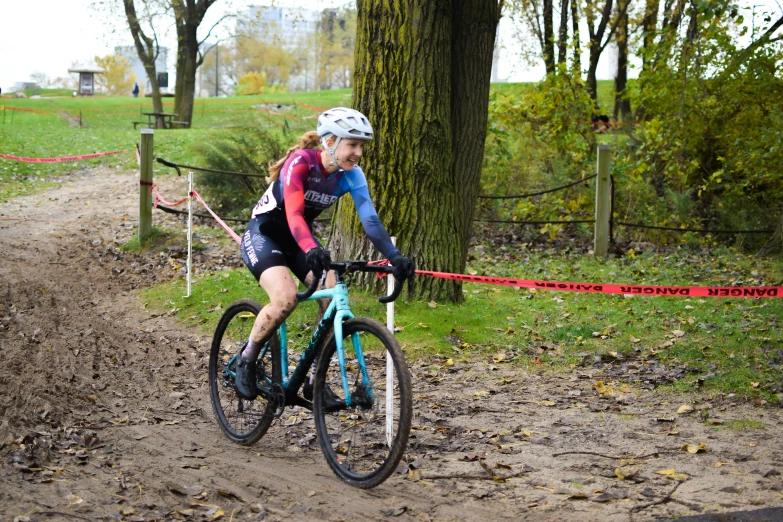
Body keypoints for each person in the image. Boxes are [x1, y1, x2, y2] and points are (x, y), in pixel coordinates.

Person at [236, 107, 416, 401]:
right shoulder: (300, 163)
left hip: (299, 238)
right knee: (285, 298)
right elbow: (293, 214)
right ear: (330, 142)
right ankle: (248, 357)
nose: (358, 153)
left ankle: (314, 380)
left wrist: (394, 256)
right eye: (353, 145)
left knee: (332, 292)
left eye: (361, 146)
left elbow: (370, 221)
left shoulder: (352, 175)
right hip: (265, 234)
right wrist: (311, 248)